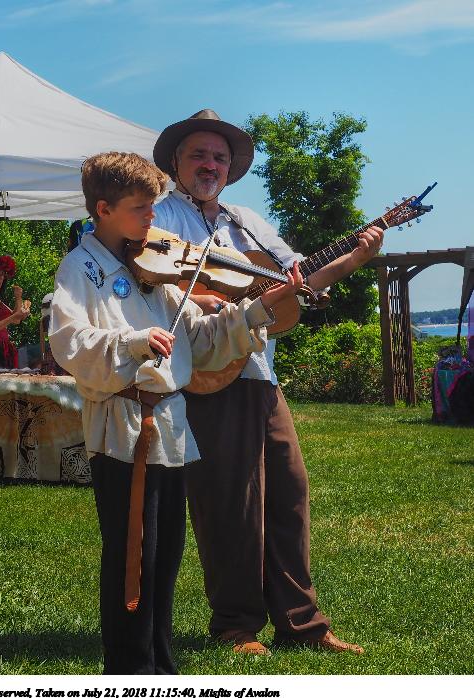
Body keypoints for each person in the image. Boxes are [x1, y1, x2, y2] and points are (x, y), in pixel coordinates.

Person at [49, 151, 302, 674]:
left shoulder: (155, 268)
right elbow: (69, 341)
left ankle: (161, 668)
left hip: (169, 427)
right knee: (132, 558)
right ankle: (129, 670)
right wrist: (134, 342)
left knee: (164, 559)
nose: (152, 218)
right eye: (140, 208)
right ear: (103, 210)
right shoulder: (81, 267)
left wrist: (258, 309)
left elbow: (201, 343)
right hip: (123, 429)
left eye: (152, 206)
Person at [151, 109, 384, 655]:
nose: (209, 165)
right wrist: (207, 298)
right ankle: (235, 624)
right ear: (177, 163)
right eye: (198, 155)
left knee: (288, 492)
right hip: (208, 372)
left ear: (230, 169)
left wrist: (355, 258)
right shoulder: (160, 217)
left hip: (259, 372)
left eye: (219, 157)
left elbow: (299, 280)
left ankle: (302, 624)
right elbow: (151, 284)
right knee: (230, 500)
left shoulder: (247, 222)